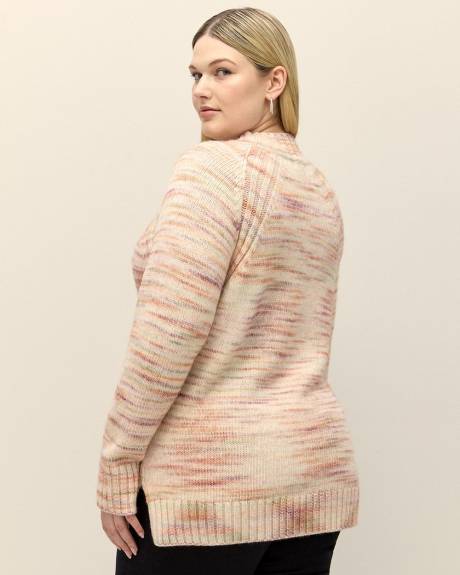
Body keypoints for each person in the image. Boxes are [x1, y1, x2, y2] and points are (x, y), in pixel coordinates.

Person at [96, 7, 360, 574]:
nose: (201, 90)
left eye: (222, 72)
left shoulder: (212, 171)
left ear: (274, 81)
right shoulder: (316, 188)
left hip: (208, 492)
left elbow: (168, 333)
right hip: (308, 480)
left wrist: (117, 462)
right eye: (195, 74)